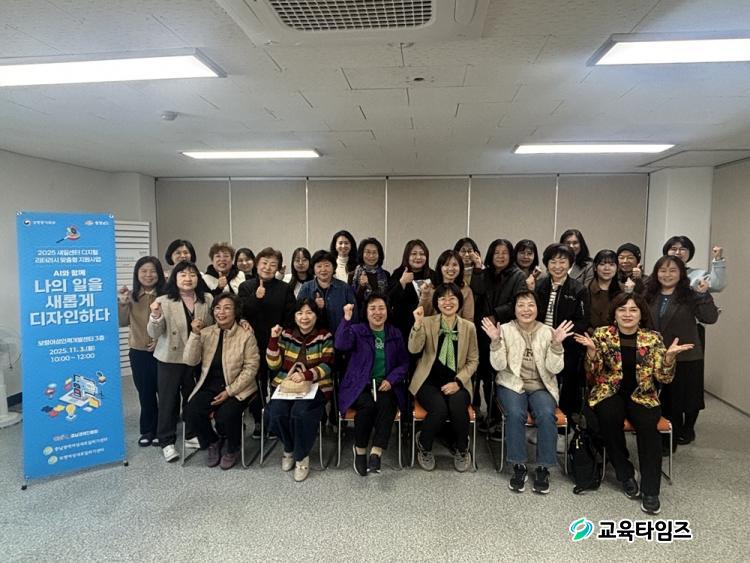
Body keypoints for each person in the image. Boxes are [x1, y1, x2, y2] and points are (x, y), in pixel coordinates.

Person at [574, 293, 694, 515]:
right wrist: (591, 353)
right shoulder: (602, 334)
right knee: (608, 417)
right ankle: (625, 472)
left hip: (643, 394)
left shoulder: (653, 338)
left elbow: (664, 378)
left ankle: (651, 490)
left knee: (648, 428)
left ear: (641, 314)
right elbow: (593, 375)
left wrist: (668, 358)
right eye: (622, 309)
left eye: (633, 310)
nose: (627, 314)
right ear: (614, 314)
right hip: (610, 391)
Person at [482, 291, 575, 494]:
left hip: (541, 385)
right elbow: (498, 366)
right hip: (511, 384)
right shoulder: (505, 330)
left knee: (546, 414)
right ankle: (519, 465)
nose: (526, 309)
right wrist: (495, 342)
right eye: (521, 305)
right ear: (514, 309)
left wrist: (557, 345)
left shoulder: (548, 331)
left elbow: (555, 369)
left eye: (530, 305)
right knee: (516, 413)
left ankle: (543, 467)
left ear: (537, 308)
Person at [645, 256, 719, 448]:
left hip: (685, 356)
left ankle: (676, 436)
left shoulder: (691, 294)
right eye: (662, 270)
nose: (667, 275)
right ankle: (663, 436)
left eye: (673, 271)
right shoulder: (649, 294)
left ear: (681, 274)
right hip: (656, 355)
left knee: (682, 400)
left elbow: (710, 318)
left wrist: (703, 295)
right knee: (661, 399)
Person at [183, 294, 260, 470]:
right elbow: (190, 360)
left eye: (227, 308)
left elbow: (251, 368)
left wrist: (229, 391)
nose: (221, 312)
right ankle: (213, 441)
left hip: (239, 387)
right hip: (210, 385)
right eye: (217, 308)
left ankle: (233, 447)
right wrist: (195, 334)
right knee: (191, 411)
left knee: (226, 415)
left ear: (236, 312)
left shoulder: (246, 335)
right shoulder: (206, 333)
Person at [147, 261, 214, 462]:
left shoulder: (207, 299)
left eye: (192, 274)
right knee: (168, 400)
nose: (188, 278)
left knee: (192, 398)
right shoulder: (163, 301)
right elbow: (154, 333)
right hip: (170, 358)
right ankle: (166, 441)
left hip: (196, 357)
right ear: (174, 278)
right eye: (183, 274)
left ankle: (191, 434)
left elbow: (212, 327)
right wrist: (155, 315)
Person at [336, 295, 409, 475]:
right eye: (372, 308)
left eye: (381, 308)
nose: (377, 312)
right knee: (367, 406)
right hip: (359, 384)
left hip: (385, 384)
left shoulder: (394, 333)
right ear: (366, 312)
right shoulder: (357, 330)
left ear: (387, 310)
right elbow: (341, 344)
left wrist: (391, 380)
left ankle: (376, 451)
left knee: (387, 405)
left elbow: (404, 363)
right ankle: (360, 450)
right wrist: (346, 319)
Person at [409, 283, 479, 472]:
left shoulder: (469, 327)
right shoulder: (427, 322)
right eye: (442, 298)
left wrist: (458, 382)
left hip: (458, 382)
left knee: (457, 406)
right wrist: (417, 324)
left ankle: (462, 448)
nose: (447, 302)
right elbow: (413, 349)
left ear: (459, 301)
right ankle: (424, 445)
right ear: (437, 302)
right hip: (428, 381)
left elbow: (473, 360)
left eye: (452, 298)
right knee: (439, 409)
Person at [266, 299, 335, 482]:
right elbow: (273, 365)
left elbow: (328, 365)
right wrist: (273, 339)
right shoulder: (286, 334)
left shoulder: (324, 335)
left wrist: (306, 375)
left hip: (317, 385)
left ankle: (301, 457)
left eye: (309, 313)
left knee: (300, 414)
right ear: (294, 316)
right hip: (287, 386)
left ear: (316, 315)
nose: (304, 317)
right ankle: (290, 448)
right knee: (275, 413)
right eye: (300, 313)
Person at [471, 239, 527, 436]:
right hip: (482, 330)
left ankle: (499, 419)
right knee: (484, 375)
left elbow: (519, 302)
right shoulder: (485, 273)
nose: (501, 256)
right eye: (497, 252)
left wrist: (496, 314)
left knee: (500, 376)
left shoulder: (518, 275)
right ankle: (487, 414)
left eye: (505, 253)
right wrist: (478, 269)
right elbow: (477, 291)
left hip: (505, 332)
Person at [239, 247, 295, 437]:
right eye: (264, 263)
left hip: (277, 344)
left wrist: (281, 332)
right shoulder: (246, 287)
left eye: (273, 264)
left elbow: (290, 315)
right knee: (256, 384)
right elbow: (241, 313)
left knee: (277, 382)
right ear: (257, 264)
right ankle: (258, 421)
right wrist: (256, 297)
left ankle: (275, 420)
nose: (268, 267)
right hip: (253, 344)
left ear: (278, 267)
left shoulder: (284, 288)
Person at [532, 244, 589, 419]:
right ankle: (540, 416)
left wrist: (561, 336)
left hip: (567, 346)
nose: (557, 266)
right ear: (546, 264)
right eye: (553, 261)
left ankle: (564, 421)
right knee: (539, 381)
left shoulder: (579, 289)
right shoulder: (539, 285)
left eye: (562, 261)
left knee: (567, 384)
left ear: (570, 264)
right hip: (539, 343)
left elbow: (582, 321)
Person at [118, 256, 166, 447]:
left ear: (159, 274)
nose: (148, 275)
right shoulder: (131, 296)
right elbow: (122, 322)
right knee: (145, 393)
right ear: (137, 274)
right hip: (138, 352)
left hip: (163, 352)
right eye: (144, 271)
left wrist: (159, 341)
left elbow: (173, 323)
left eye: (153, 271)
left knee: (165, 392)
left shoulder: (166, 296)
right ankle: (148, 429)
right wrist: (122, 303)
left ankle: (163, 429)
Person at [298, 250, 358, 337]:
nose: (323, 269)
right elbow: (298, 314)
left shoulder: (345, 288)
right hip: (313, 340)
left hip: (340, 338)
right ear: (313, 268)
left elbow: (354, 317)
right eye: (319, 266)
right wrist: (314, 306)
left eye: (327, 265)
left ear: (333, 267)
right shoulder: (306, 288)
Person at [388, 239, 434, 345]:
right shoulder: (398, 273)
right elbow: (389, 300)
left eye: (422, 254)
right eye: (413, 254)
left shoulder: (432, 275)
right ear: (407, 256)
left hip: (426, 327)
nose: (418, 257)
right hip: (402, 327)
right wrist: (402, 282)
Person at [422, 249, 475, 322]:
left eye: (455, 265)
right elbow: (421, 315)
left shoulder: (466, 290)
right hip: (432, 328)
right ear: (440, 267)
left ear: (460, 267)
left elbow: (468, 319)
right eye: (446, 265)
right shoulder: (431, 287)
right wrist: (425, 295)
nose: (450, 268)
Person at [351, 237, 390, 314]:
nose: (371, 256)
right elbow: (352, 300)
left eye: (374, 252)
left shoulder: (386, 274)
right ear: (362, 253)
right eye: (368, 252)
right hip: (360, 315)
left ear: (379, 255)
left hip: (380, 315)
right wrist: (361, 286)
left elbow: (388, 298)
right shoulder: (352, 274)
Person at [587, 249, 622, 333]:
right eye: (602, 264)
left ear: (617, 268)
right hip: (589, 336)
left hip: (617, 336)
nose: (607, 268)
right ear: (595, 267)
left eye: (612, 264)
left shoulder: (623, 290)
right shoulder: (585, 289)